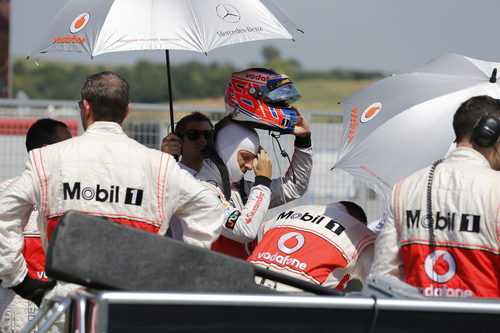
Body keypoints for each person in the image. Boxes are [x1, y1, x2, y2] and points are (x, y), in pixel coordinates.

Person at [0, 71, 224, 308]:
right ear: (127, 110)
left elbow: (4, 213)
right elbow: (208, 208)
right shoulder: (158, 164)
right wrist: (177, 274)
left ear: (86, 107)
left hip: (68, 307)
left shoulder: (47, 158)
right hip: (134, 307)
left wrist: (21, 281)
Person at [370, 95, 500, 298]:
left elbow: (383, 276)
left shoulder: (405, 188)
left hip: (418, 322)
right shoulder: (496, 189)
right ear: (489, 134)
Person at [198, 68, 313, 259]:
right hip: (213, 283)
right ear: (226, 151)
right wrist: (262, 182)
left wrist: (303, 141)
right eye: (246, 157)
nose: (251, 166)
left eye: (254, 158)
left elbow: (295, 186)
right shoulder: (202, 191)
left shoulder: (238, 189)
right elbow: (244, 231)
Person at [0, 118, 72, 333]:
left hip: (61, 311)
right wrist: (26, 286)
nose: (73, 153)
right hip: (16, 313)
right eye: (67, 146)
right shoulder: (6, 194)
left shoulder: (73, 197)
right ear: (45, 151)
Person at [247, 201, 376, 292]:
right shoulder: (358, 231)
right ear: (359, 221)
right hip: (298, 305)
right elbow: (376, 279)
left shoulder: (288, 212)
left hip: (243, 287)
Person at [161, 112, 214, 239]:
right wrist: (163, 160)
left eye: (208, 135)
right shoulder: (169, 175)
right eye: (193, 135)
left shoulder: (223, 175)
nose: (202, 140)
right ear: (178, 140)